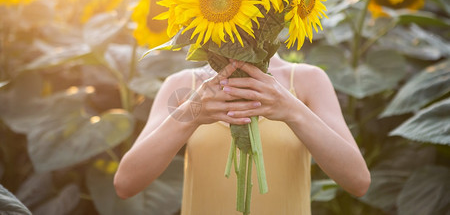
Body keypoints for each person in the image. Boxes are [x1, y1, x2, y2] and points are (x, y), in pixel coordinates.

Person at [114, 53, 371, 214]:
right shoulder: (184, 85)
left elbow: (357, 181)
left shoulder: (307, 81)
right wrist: (190, 113)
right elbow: (126, 184)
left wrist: (292, 109)